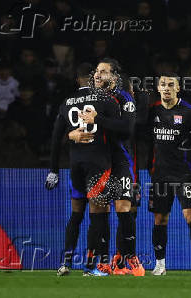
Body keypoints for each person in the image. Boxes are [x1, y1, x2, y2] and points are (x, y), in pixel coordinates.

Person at [46, 62, 121, 276]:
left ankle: (66, 263)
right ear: (90, 78)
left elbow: (55, 138)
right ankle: (91, 266)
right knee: (98, 215)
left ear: (76, 80)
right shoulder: (105, 99)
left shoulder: (67, 102)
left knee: (76, 214)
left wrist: (53, 169)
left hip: (75, 164)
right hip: (98, 164)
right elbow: (119, 131)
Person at [76, 59, 145, 276]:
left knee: (124, 209)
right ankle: (103, 261)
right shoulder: (90, 99)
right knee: (99, 210)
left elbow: (127, 129)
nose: (97, 75)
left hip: (121, 162)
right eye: (96, 71)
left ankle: (130, 257)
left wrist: (99, 118)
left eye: (103, 72)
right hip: (97, 162)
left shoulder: (123, 98)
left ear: (114, 76)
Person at [146, 73, 191, 276]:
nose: (166, 88)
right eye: (163, 84)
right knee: (160, 219)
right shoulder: (152, 111)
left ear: (178, 88)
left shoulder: (190, 112)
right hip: (160, 175)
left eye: (170, 85)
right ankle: (160, 265)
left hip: (184, 174)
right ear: (158, 88)